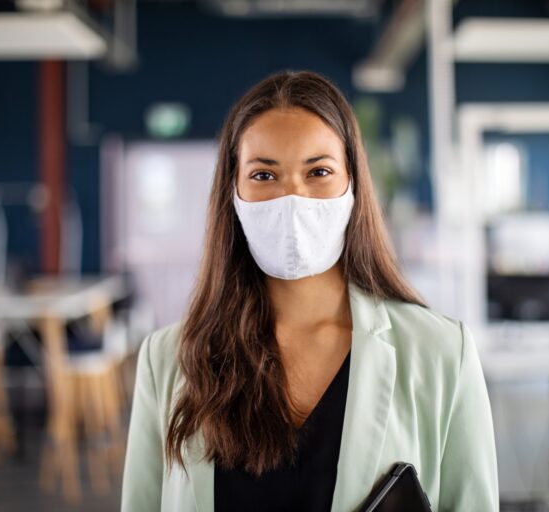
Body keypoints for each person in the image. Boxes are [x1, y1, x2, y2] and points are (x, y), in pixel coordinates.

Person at [121, 70, 498, 512]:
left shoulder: (440, 354)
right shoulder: (167, 360)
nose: (292, 199)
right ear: (233, 193)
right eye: (264, 175)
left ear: (353, 185)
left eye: (318, 171)